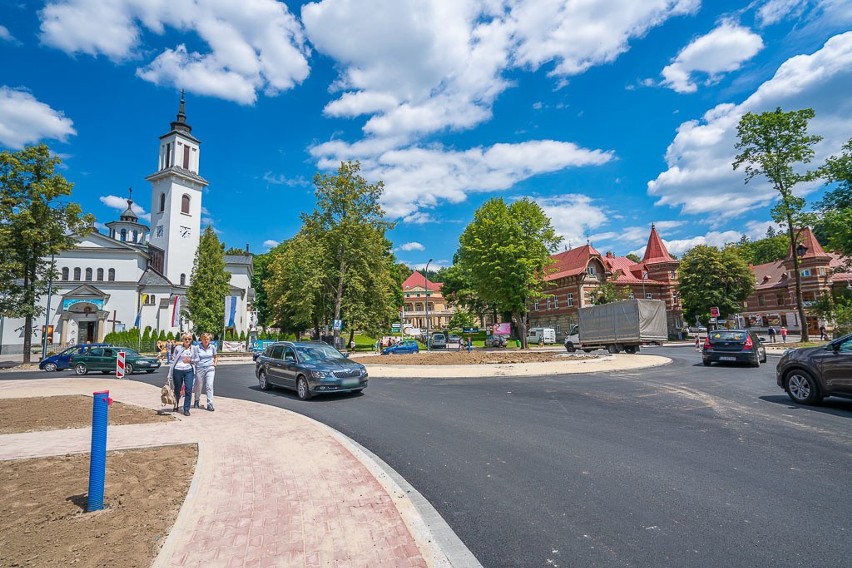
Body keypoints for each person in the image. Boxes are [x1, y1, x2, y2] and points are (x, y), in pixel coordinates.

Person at [167, 333, 197, 416]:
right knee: (177, 389)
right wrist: (170, 373)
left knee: (188, 389)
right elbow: (174, 360)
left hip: (189, 370)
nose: (187, 340)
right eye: (185, 339)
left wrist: (190, 360)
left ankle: (186, 409)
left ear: (191, 340)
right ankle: (176, 405)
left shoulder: (194, 348)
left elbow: (197, 359)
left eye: (189, 339)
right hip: (178, 369)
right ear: (183, 339)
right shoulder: (178, 348)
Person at [192, 333, 218, 411]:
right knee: (198, 386)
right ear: (201, 339)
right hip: (200, 368)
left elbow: (216, 356)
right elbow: (194, 358)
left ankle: (210, 403)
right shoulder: (197, 348)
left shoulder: (212, 347)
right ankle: (197, 400)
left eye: (208, 339)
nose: (206, 341)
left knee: (209, 385)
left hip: (210, 368)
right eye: (204, 339)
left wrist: (214, 364)